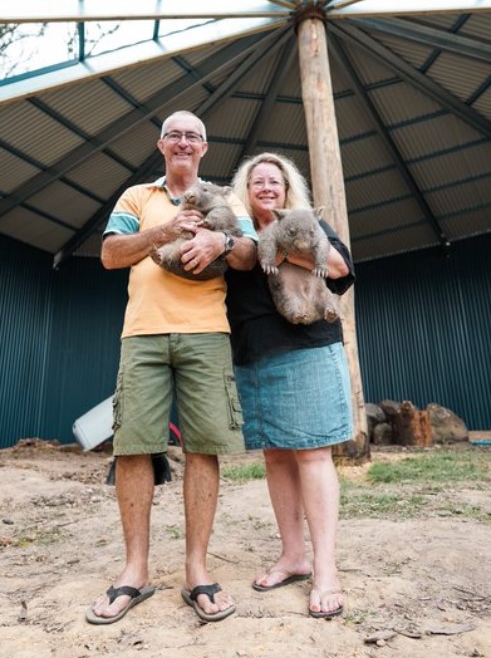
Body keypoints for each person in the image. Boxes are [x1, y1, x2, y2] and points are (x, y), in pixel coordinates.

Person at [86, 110, 257, 625]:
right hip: (141, 333)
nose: (184, 142)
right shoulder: (137, 197)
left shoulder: (225, 198)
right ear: (162, 145)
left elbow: (250, 253)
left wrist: (220, 242)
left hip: (207, 332)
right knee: (134, 445)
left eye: (194, 136)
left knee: (204, 445)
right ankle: (134, 571)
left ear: (204, 148)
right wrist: (166, 230)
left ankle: (196, 571)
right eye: (175, 134)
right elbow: (111, 256)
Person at [225, 152, 355, 619]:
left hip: (307, 348)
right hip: (253, 354)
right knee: (276, 454)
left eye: (273, 181)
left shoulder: (304, 224)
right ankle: (293, 555)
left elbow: (339, 269)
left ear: (286, 189)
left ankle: (325, 569)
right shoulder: (233, 235)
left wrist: (276, 242)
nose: (265, 187)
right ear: (245, 190)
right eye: (256, 181)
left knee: (313, 453)